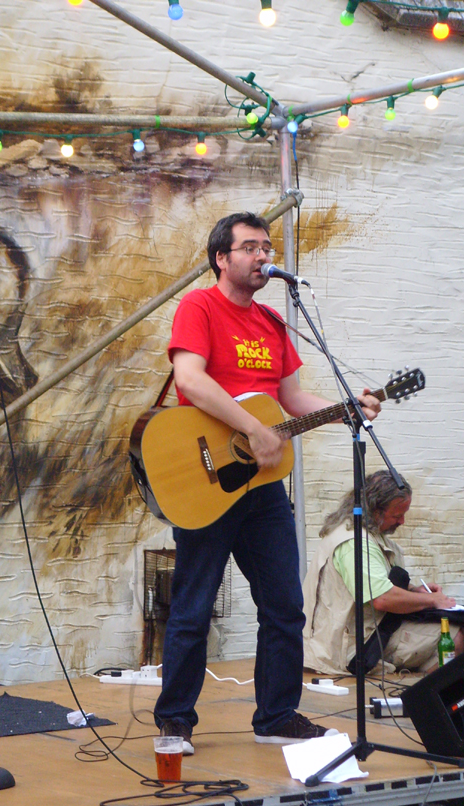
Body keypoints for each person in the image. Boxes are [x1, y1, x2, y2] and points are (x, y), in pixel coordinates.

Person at [153, 211, 381, 753]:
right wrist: (254, 429)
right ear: (221, 258)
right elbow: (189, 378)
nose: (262, 256)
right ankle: (175, 722)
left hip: (262, 490)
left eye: (266, 247)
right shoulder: (199, 307)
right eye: (250, 247)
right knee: (192, 605)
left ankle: (277, 715)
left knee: (284, 602)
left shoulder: (274, 324)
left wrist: (348, 408)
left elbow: (293, 400)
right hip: (208, 478)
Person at [302, 470, 464, 676]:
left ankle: (425, 689)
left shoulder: (369, 535)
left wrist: (416, 591)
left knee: (459, 627)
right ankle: (428, 696)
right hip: (346, 649)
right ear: (375, 510)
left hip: (371, 631)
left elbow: (375, 581)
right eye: (397, 515)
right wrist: (432, 601)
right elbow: (381, 599)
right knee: (454, 636)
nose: (402, 522)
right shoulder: (354, 543)